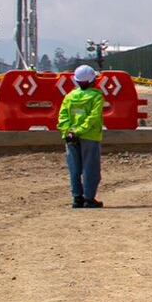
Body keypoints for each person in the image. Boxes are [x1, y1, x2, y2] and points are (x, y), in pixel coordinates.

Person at [58, 64, 106, 209]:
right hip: (90, 137)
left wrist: (68, 131)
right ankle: (89, 199)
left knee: (75, 168)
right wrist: (80, 130)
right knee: (90, 169)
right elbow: (93, 117)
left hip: (71, 137)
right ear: (93, 80)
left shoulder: (70, 96)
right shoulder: (96, 97)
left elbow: (63, 116)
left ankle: (77, 198)